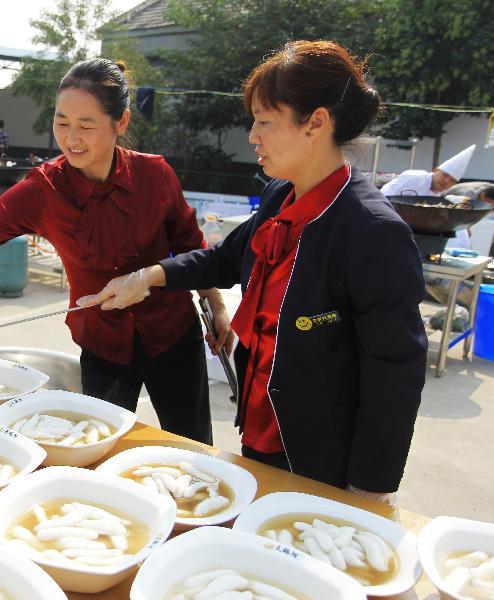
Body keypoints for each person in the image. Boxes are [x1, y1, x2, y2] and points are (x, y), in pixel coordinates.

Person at [79, 41, 428, 501]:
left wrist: (369, 489)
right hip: (262, 424)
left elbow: (395, 373)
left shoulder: (370, 230)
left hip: (323, 455)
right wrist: (147, 278)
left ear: (316, 123)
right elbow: (225, 259)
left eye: (264, 121)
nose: (252, 136)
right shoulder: (280, 196)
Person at [0, 58, 233, 445]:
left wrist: (215, 304)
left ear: (121, 122)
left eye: (86, 126)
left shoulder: (154, 175)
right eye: (62, 123)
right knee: (100, 446)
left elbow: (190, 245)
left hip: (172, 334)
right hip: (103, 345)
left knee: (194, 444)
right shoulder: (45, 189)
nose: (71, 138)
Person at [380, 144, 475, 197]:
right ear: (436, 170)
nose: (446, 181)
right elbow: (386, 195)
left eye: (452, 180)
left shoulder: (438, 196)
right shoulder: (416, 177)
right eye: (445, 175)